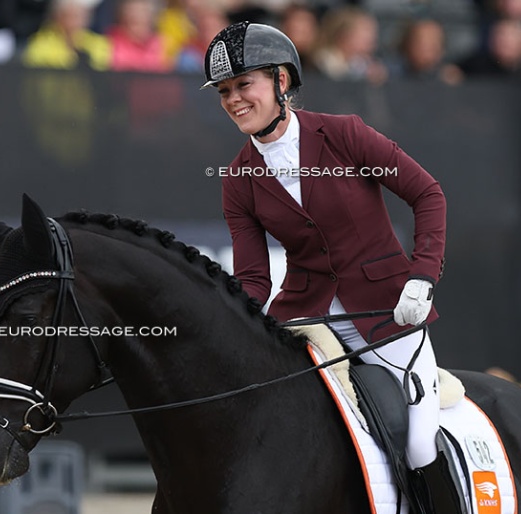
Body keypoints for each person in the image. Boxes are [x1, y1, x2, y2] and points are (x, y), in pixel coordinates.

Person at [201, 21, 461, 514]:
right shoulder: (238, 178)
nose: (233, 99)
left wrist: (423, 274)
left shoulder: (344, 134)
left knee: (421, 445)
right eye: (224, 91)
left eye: (244, 85)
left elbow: (427, 194)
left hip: (390, 315)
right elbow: (254, 278)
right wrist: (233, 323)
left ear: (281, 81)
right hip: (307, 318)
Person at [21, 0, 110, 71]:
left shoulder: (96, 43)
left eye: (81, 17)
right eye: (72, 16)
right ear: (57, 17)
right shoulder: (40, 45)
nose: (77, 23)